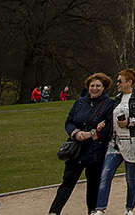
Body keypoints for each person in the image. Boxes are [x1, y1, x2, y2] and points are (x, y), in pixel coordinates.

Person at [48, 72, 114, 215]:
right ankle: (54, 211)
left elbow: (109, 127)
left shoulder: (109, 104)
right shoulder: (80, 102)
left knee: (93, 183)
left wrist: (91, 134)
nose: (94, 88)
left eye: (98, 86)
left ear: (104, 87)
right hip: (77, 150)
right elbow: (69, 121)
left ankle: (92, 210)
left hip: (96, 151)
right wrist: (76, 133)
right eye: (92, 86)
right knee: (67, 182)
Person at [97, 67, 135, 215]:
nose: (117, 84)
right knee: (106, 174)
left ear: (129, 82)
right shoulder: (117, 99)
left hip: (132, 141)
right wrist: (104, 123)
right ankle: (100, 208)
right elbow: (110, 116)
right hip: (115, 141)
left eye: (120, 81)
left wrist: (131, 122)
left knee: (131, 178)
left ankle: (129, 208)